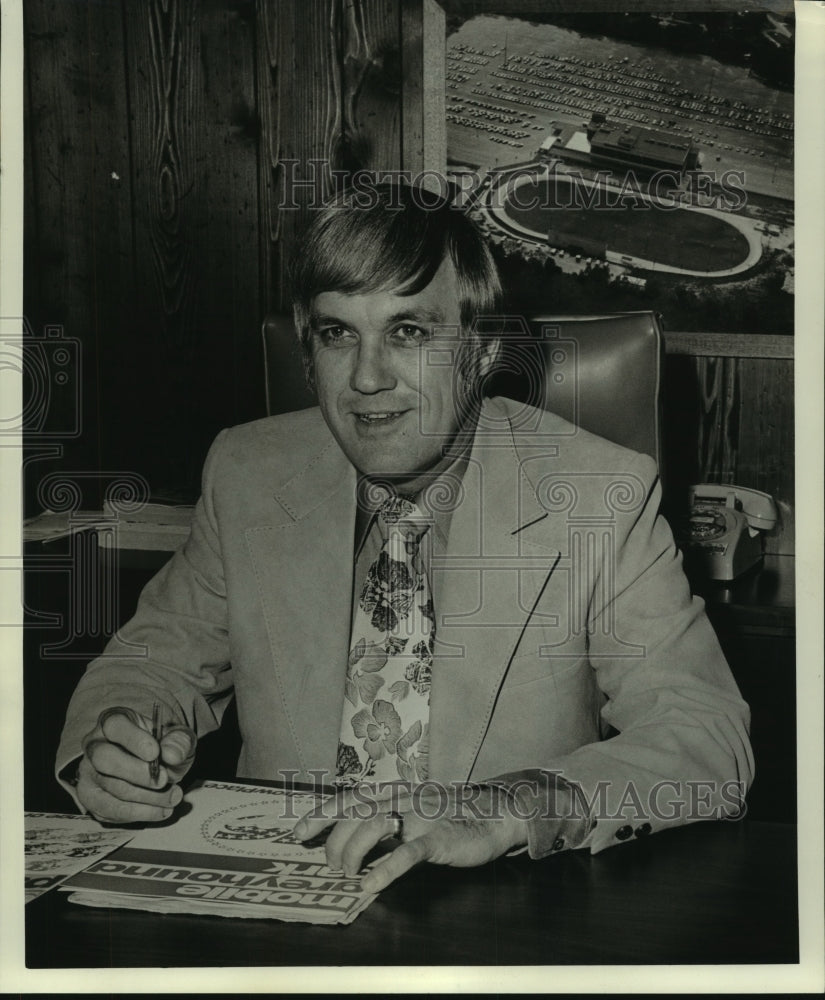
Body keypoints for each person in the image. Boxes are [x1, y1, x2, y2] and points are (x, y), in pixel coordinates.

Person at [56, 182, 753, 895]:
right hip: (278, 905)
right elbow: (153, 662)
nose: (366, 377)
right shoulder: (246, 472)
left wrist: (504, 807)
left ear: (479, 353)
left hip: (494, 912)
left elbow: (702, 736)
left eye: (409, 333)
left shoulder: (598, 494)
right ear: (308, 351)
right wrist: (114, 746)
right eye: (337, 335)